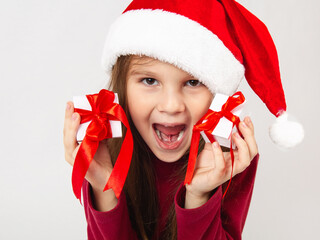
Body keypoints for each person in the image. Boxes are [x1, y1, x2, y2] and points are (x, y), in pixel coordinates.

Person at [63, 0, 303, 239]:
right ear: (123, 87)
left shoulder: (231, 157)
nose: (171, 106)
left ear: (218, 94)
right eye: (149, 81)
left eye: (193, 82)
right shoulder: (101, 149)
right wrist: (103, 188)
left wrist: (198, 197)